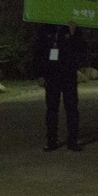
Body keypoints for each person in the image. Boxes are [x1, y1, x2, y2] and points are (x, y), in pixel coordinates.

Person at [34, 21, 86, 151]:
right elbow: (39, 52)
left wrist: (73, 34)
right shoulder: (45, 28)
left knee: (72, 108)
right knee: (51, 109)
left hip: (68, 74)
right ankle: (51, 141)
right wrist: (40, 74)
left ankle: (72, 141)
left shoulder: (72, 27)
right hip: (51, 75)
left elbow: (80, 49)